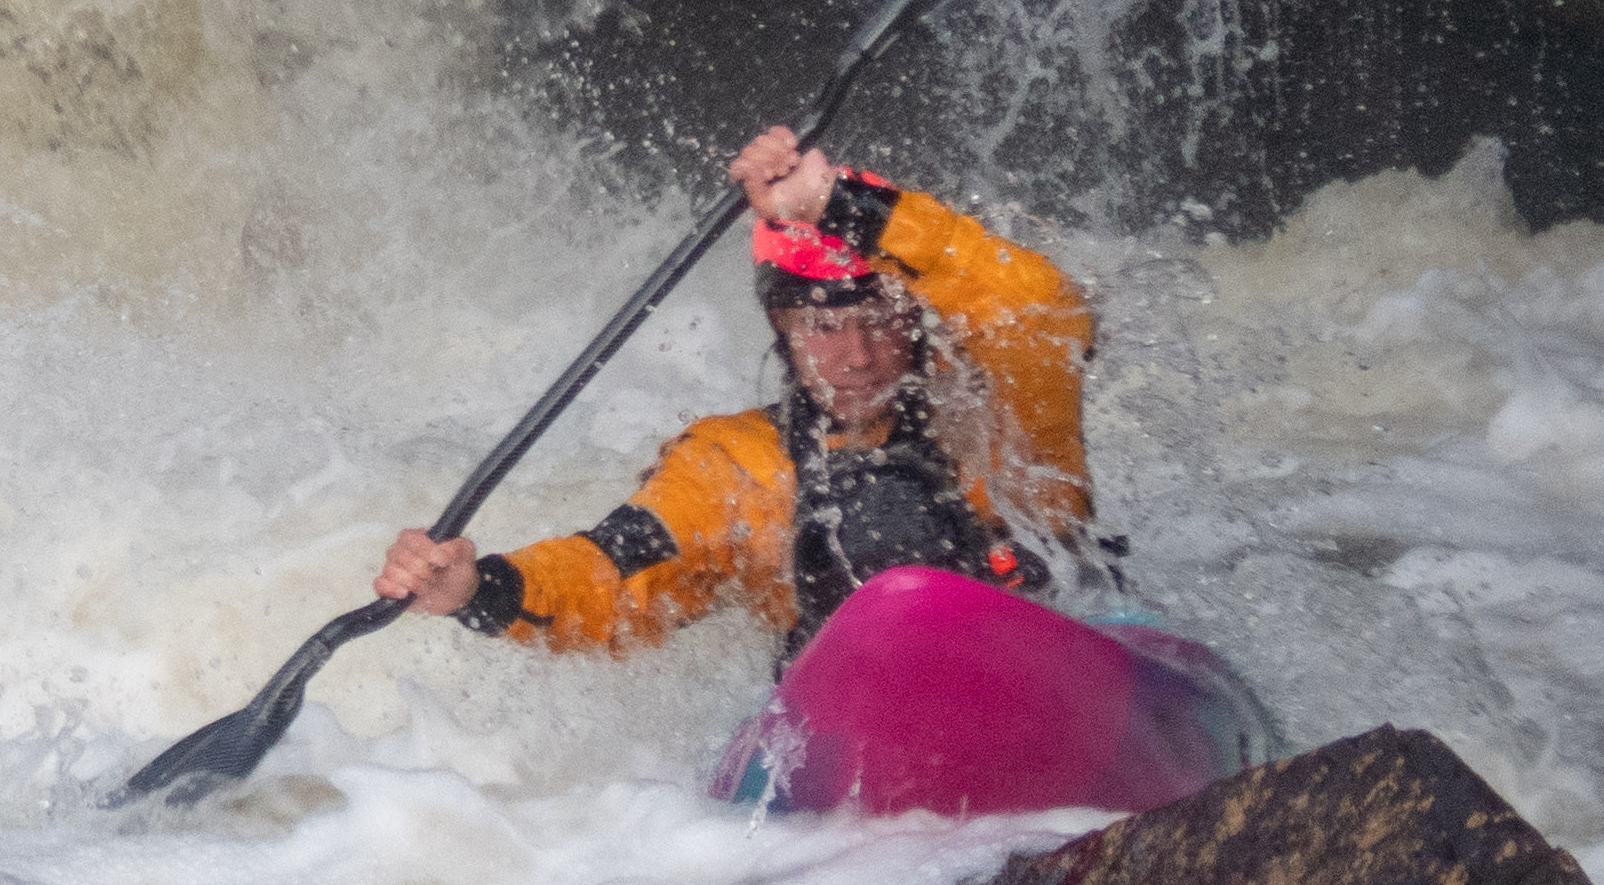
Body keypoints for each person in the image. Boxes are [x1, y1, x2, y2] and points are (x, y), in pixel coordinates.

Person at [373, 128, 1095, 665]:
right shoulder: (738, 470)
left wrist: (838, 204)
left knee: (897, 510)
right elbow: (613, 578)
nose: (857, 357)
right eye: (824, 327)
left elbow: (1042, 309)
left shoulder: (998, 408)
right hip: (859, 707)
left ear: (914, 320)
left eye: (881, 322)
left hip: (1041, 665)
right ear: (783, 330)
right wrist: (479, 590)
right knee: (871, 519)